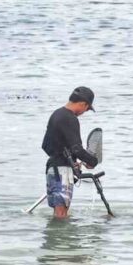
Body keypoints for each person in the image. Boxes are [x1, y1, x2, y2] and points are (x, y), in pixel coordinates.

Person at [41, 87, 99, 219]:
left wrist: (71, 162)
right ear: (83, 104)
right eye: (87, 108)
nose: (84, 112)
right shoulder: (70, 118)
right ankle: (62, 239)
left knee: (58, 212)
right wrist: (92, 161)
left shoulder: (56, 114)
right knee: (61, 214)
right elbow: (76, 149)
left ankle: (55, 239)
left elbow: (46, 146)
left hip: (52, 169)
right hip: (61, 172)